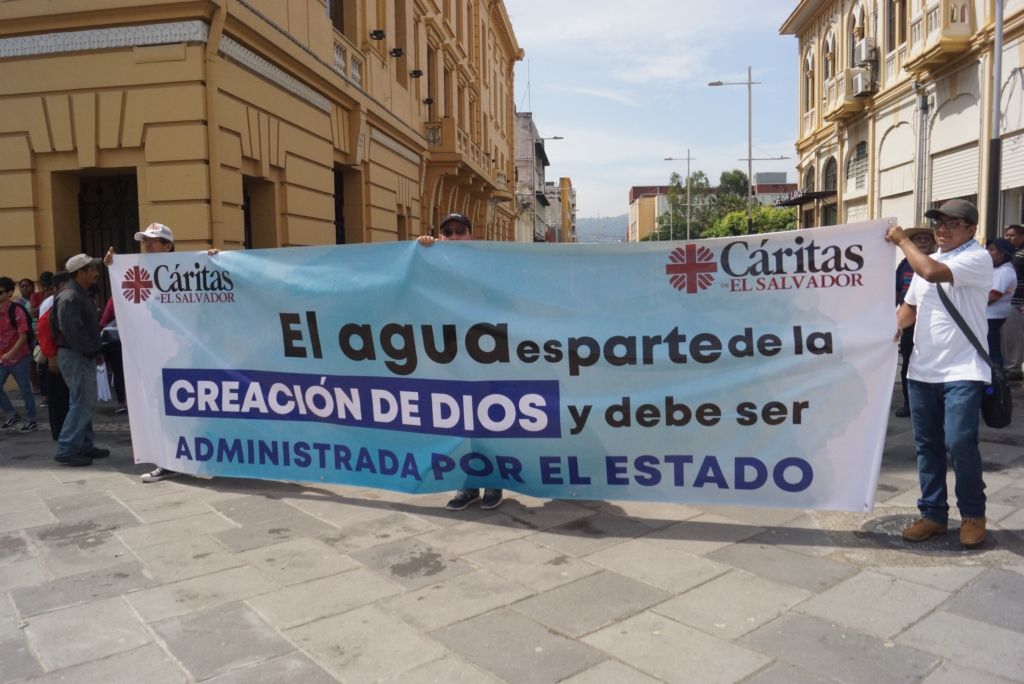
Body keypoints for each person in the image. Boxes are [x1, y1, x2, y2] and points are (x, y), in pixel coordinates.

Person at [886, 199, 991, 548]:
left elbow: (931, 272)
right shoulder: (927, 262)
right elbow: (909, 309)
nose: (942, 229)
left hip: (963, 369)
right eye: (938, 223)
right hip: (921, 371)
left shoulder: (976, 258)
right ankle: (933, 514)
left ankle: (973, 514)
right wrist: (884, 331)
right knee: (927, 446)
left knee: (959, 441)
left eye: (952, 223)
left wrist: (902, 240)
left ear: (971, 229)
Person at [104, 222, 219, 482]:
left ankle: (203, 457)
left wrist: (216, 261)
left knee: (197, 406)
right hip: (157, 355)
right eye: (145, 241)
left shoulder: (190, 268)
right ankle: (168, 460)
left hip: (189, 353)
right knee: (162, 407)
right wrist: (113, 265)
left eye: (152, 241)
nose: (147, 245)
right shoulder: (138, 271)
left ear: (168, 246)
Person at [417, 212, 504, 512]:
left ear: (471, 235)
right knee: (457, 420)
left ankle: (493, 480)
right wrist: (420, 249)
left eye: (459, 231)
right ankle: (467, 485)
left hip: (483, 354)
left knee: (487, 418)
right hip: (448, 355)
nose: (453, 237)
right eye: (447, 232)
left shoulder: (486, 262)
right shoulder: (432, 261)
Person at [52, 254, 109, 466]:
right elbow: (73, 332)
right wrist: (92, 351)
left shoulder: (79, 294)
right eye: (92, 269)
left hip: (80, 353)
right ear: (80, 272)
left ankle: (84, 444)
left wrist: (95, 350)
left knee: (81, 401)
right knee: (84, 402)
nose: (96, 273)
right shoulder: (70, 297)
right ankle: (67, 448)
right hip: (75, 354)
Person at [894, 227, 936, 417]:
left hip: (932, 322)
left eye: (926, 238)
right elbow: (895, 292)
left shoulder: (937, 263)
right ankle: (909, 404)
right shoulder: (904, 265)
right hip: (908, 323)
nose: (923, 241)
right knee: (908, 363)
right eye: (918, 238)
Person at [0, 276, 38, 432]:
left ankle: (31, 419)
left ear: (10, 293)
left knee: (25, 390)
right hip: (2, 359)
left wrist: (11, 353)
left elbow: (23, 337)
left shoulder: (16, 310)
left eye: (0, 292)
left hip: (19, 358)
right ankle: (11, 414)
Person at [38, 271, 71, 440]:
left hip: (64, 355)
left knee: (66, 397)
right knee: (59, 398)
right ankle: (60, 432)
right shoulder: (53, 302)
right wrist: (51, 357)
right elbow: (44, 329)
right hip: (56, 357)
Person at [986, 238, 1017, 369]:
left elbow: (994, 295)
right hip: (989, 315)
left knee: (993, 350)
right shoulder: (996, 269)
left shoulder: (1006, 270)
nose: (988, 252)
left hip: (994, 316)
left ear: (1002, 254)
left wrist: (974, 301)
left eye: (992, 250)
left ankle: (997, 377)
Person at [1000, 224, 1024, 379]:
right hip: (1013, 302)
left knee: (1014, 338)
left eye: (1012, 235)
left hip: (1017, 303)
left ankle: (1013, 370)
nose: (1008, 238)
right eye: (1007, 235)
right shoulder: (1014, 253)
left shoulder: (1019, 256)